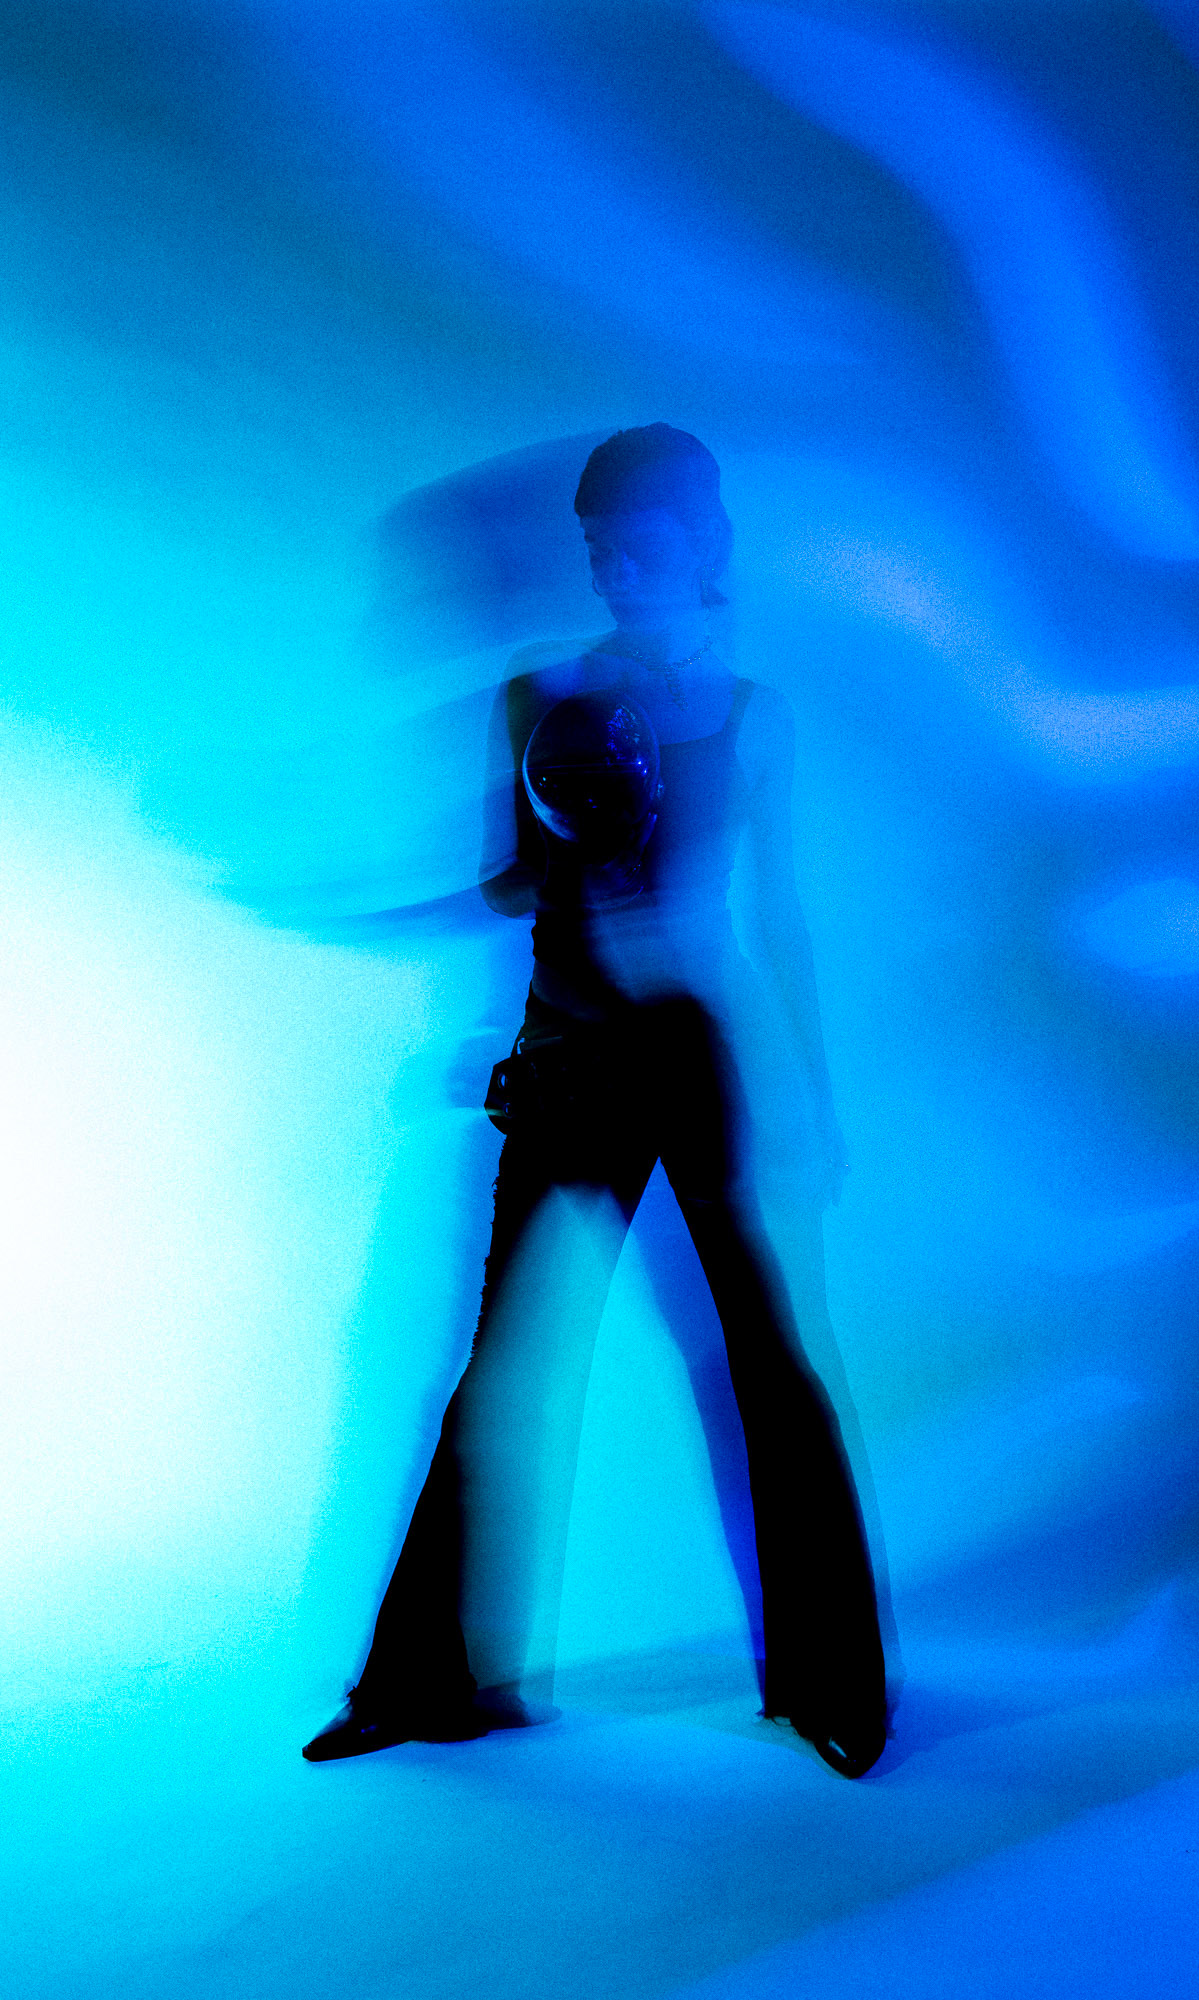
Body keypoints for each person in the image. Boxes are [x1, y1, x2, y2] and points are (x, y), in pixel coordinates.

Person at [303, 424, 893, 1778]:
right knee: (497, 1362)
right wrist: (366, 912)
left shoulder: (752, 715)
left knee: (761, 1356)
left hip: (687, 1056)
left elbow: (778, 921)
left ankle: (831, 1685)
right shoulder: (538, 695)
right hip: (564, 1055)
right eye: (597, 545)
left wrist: (812, 1095)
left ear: (702, 542)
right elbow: (510, 885)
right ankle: (427, 1683)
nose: (615, 565)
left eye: (639, 540)